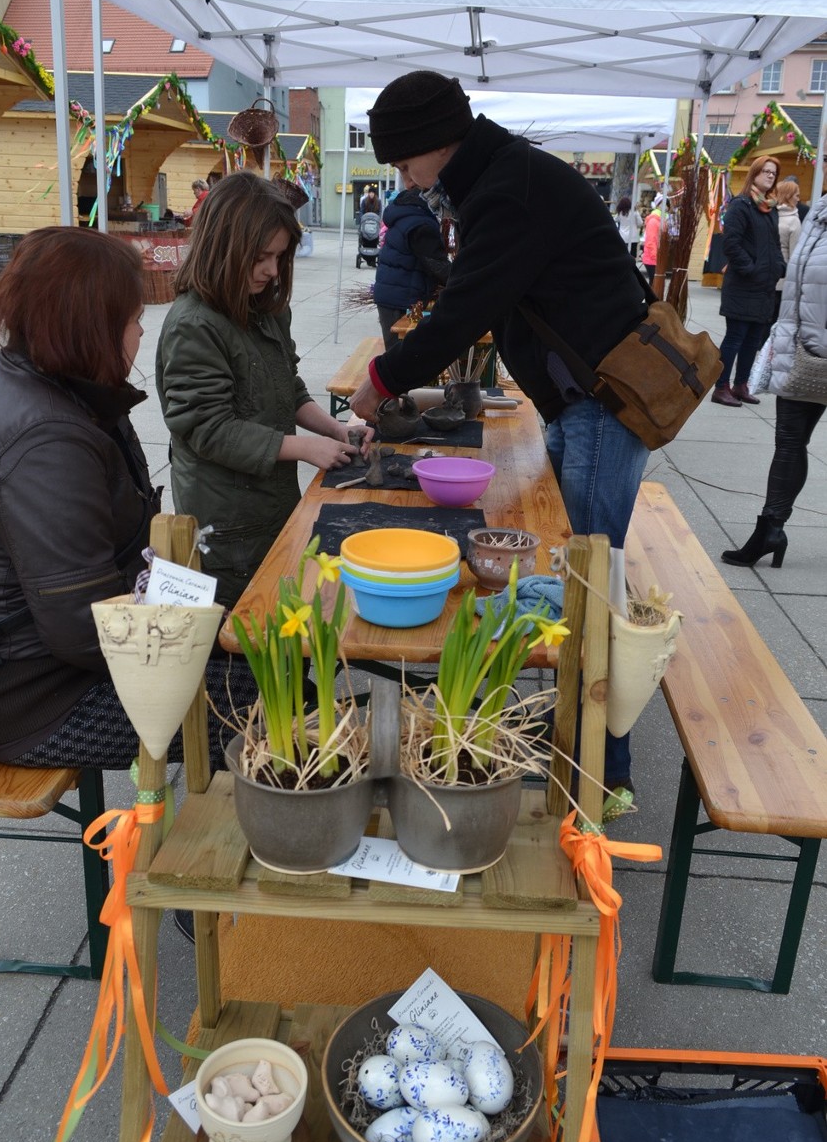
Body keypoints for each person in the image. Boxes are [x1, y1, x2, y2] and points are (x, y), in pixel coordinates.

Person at [349, 70, 653, 802]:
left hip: (603, 407)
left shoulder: (506, 193)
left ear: (434, 144)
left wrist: (381, 380)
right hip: (580, 402)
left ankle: (601, 775)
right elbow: (482, 298)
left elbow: (464, 310)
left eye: (404, 160)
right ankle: (571, 733)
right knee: (561, 560)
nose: (403, 176)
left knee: (587, 584)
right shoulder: (500, 177)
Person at [0, 226, 256, 770]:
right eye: (133, 320)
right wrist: (186, 640)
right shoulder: (45, 440)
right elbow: (82, 627)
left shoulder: (51, 388)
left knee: (261, 661)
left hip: (46, 660)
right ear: (90, 327)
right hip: (31, 697)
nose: (139, 334)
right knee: (266, 697)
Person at [156, 171, 370, 610]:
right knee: (249, 628)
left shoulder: (264, 308)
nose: (273, 270)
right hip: (228, 523)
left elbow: (287, 388)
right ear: (223, 248)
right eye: (260, 257)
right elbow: (208, 429)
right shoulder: (193, 325)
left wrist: (334, 430)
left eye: (279, 256)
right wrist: (305, 448)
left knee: (282, 609)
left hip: (270, 505)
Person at [721, 168, 827, 569]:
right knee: (788, 441)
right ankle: (770, 530)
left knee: (789, 441)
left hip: (815, 346)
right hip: (803, 352)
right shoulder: (818, 212)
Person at [712, 155, 785, 408]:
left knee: (753, 338)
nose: (769, 176)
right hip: (743, 284)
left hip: (764, 286)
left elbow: (774, 245)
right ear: (754, 173)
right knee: (736, 337)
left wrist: (779, 267)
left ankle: (741, 385)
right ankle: (721, 386)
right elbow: (730, 243)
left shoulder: (769, 208)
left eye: (773, 173)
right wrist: (751, 269)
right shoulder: (741, 205)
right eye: (765, 171)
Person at [373, 180, 451, 348]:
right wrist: (464, 279)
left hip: (391, 294)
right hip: (400, 299)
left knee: (397, 352)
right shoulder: (420, 223)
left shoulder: (405, 214)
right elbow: (437, 265)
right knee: (402, 355)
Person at [773, 179, 802, 323]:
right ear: (789, 196)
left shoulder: (771, 214)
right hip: (783, 278)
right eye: (796, 195)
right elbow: (795, 254)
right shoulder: (794, 221)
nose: (799, 199)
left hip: (767, 276)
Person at [641, 194, 663, 288]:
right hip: (651, 257)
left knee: (654, 281)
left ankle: (652, 300)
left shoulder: (659, 220)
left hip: (654, 255)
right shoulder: (654, 221)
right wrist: (654, 255)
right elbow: (651, 240)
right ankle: (651, 301)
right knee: (653, 281)